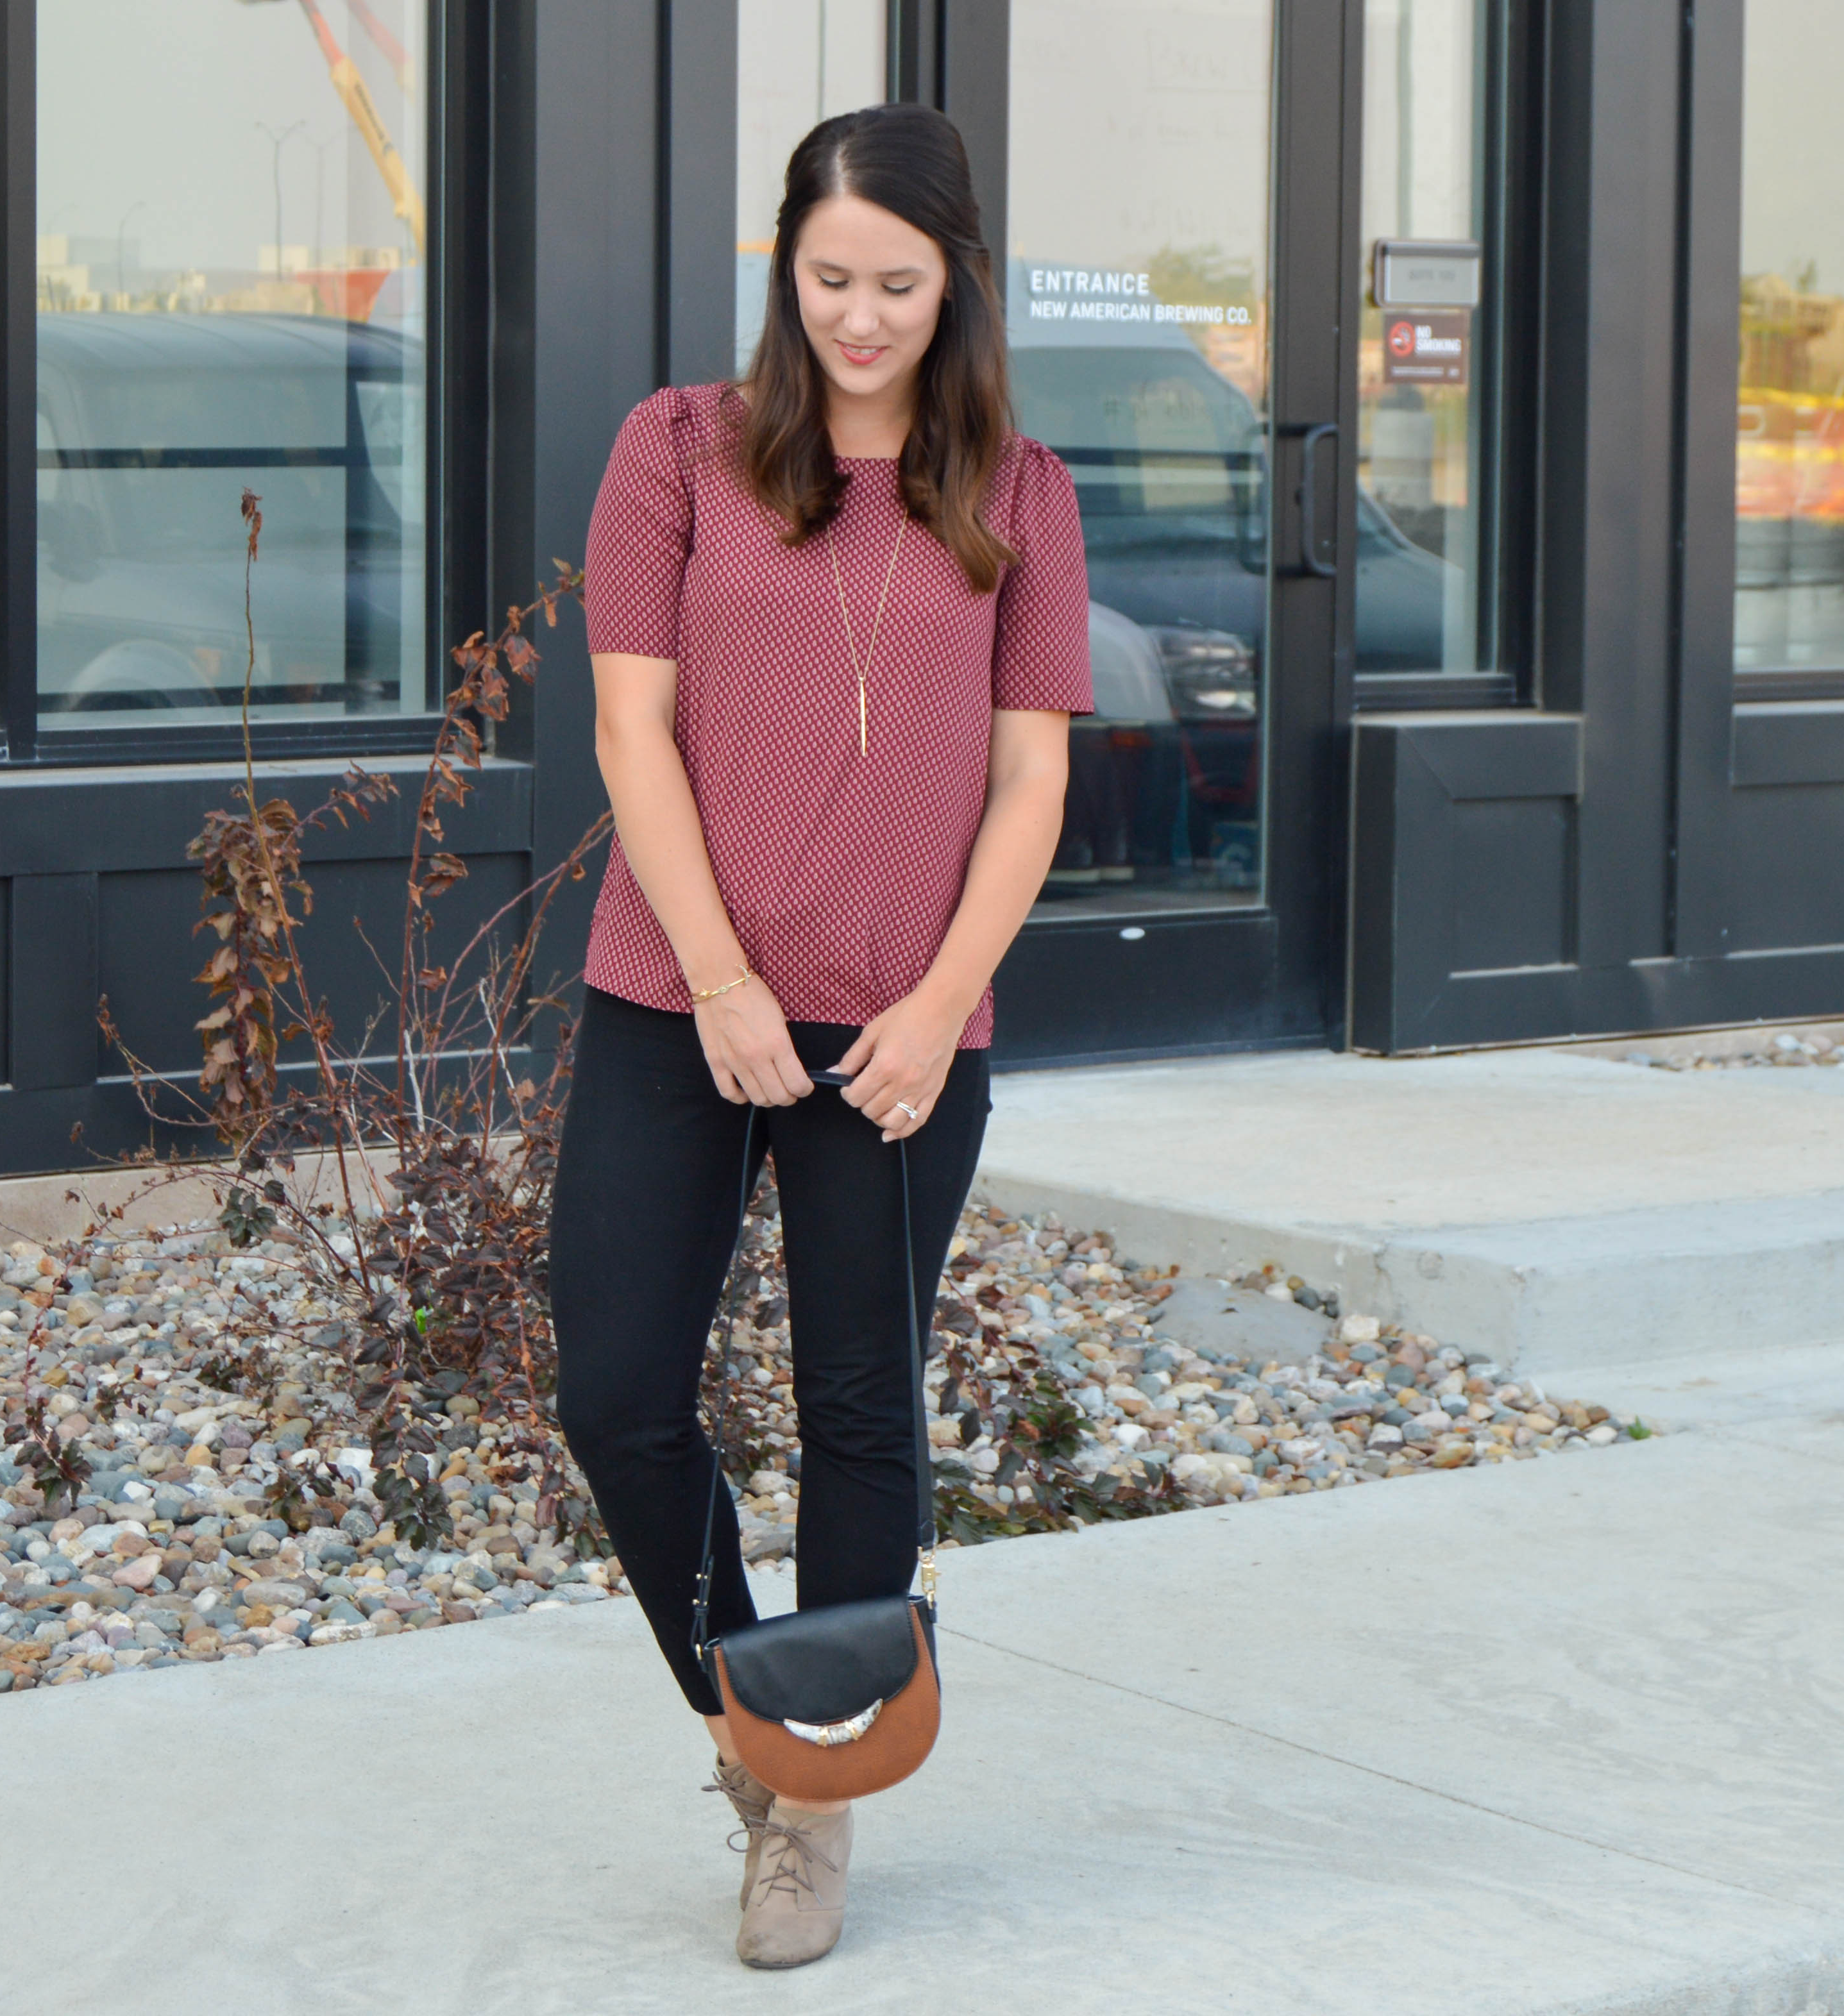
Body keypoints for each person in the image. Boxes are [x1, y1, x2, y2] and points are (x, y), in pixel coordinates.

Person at [548, 101, 1091, 1970]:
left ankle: (820, 1808)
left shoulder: (1016, 488)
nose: (859, 318)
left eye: (898, 285)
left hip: (901, 1033)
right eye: (828, 277)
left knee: (862, 1406)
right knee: (617, 1393)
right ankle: (751, 1739)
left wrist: (939, 1005)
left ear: (956, 287)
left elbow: (1030, 776)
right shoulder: (678, 450)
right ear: (785, 267)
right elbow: (633, 733)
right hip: (669, 999)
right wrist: (718, 984)